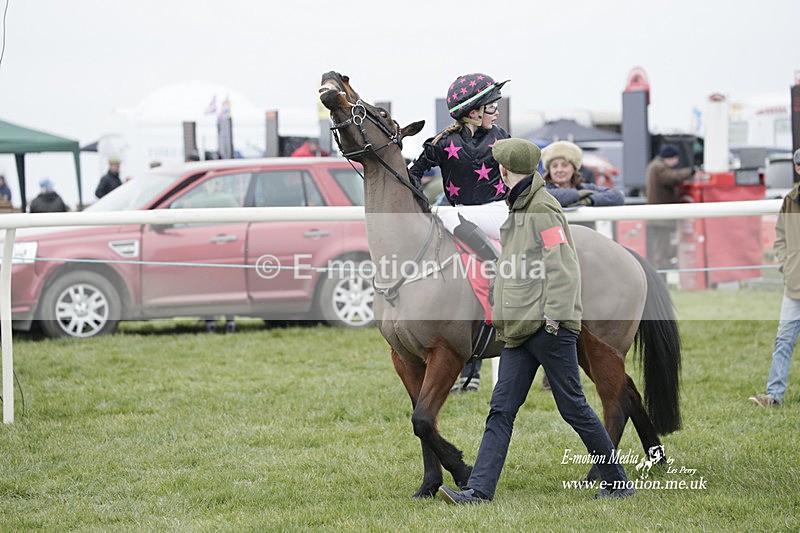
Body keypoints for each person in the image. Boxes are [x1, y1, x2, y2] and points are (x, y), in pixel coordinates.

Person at [438, 138, 633, 504]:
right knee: (501, 409)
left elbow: (563, 267)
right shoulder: (519, 205)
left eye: (498, 166)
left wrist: (555, 319)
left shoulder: (542, 208)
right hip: (520, 329)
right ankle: (479, 491)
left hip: (547, 328)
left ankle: (618, 482)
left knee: (573, 407)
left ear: (505, 170)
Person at [409, 72, 511, 393]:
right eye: (490, 106)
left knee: (446, 214)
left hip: (496, 213)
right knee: (442, 213)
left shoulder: (502, 136)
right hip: (461, 216)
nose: (495, 111)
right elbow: (413, 174)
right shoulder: (441, 143)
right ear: (472, 111)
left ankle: (495, 264)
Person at [749, 148, 800, 408]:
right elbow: (780, 238)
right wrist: (787, 263)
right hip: (794, 285)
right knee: (783, 340)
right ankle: (774, 396)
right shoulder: (790, 200)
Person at [645, 144, 693, 273]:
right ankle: (661, 275)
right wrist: (690, 171)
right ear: (671, 158)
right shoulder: (659, 167)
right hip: (661, 217)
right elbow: (672, 178)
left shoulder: (654, 166)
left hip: (658, 216)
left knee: (661, 248)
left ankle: (662, 272)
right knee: (662, 249)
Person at [542, 141, 625, 208]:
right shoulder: (542, 190)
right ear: (549, 170)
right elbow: (549, 197)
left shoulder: (585, 188)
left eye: (564, 165)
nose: (559, 170)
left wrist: (588, 201)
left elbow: (617, 197)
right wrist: (579, 194)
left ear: (574, 168)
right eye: (554, 166)